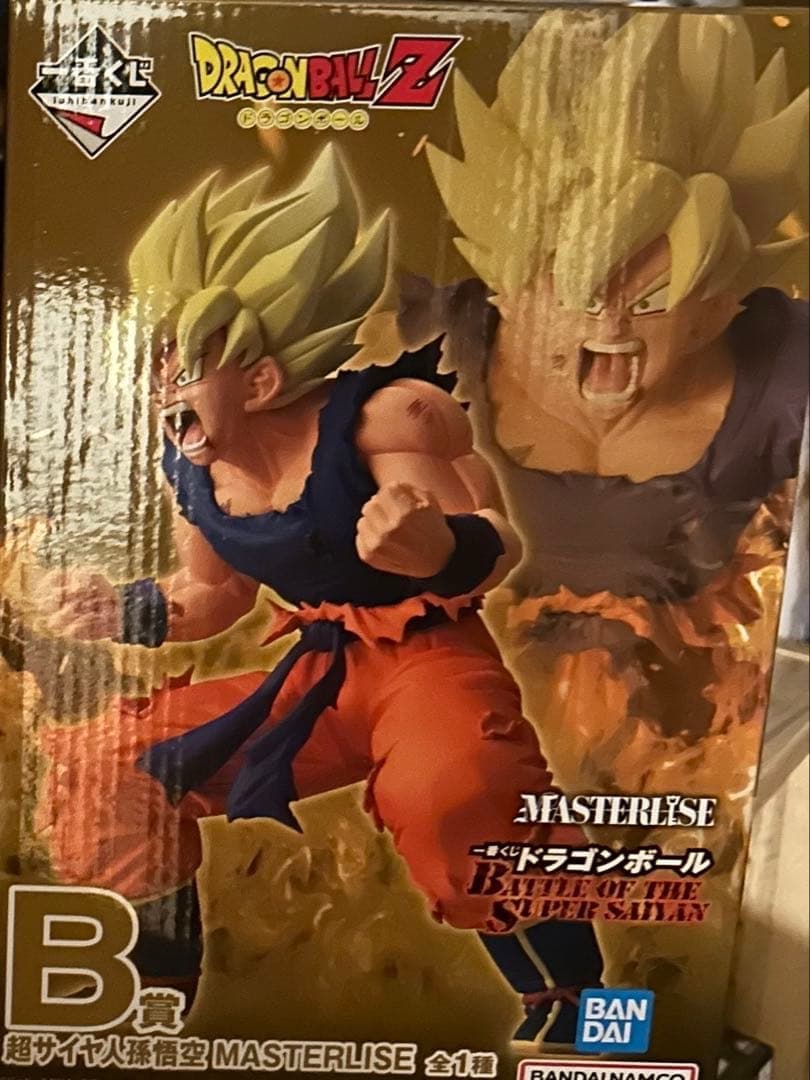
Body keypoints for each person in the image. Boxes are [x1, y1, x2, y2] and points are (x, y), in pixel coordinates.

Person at [30, 144, 603, 1046]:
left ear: (260, 379)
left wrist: (433, 547)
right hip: (320, 675)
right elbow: (211, 595)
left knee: (455, 792)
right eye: (155, 366)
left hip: (427, 659)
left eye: (181, 368)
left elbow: (495, 542)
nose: (159, 391)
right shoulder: (199, 470)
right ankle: (154, 994)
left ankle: (576, 1002)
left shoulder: (383, 422)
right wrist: (125, 610)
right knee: (109, 765)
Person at [421, 11, 808, 762]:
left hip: (703, 732)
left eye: (653, 297)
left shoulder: (788, 370)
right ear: (507, 292)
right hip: (465, 705)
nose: (610, 320)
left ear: (716, 306)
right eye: (574, 291)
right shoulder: (422, 343)